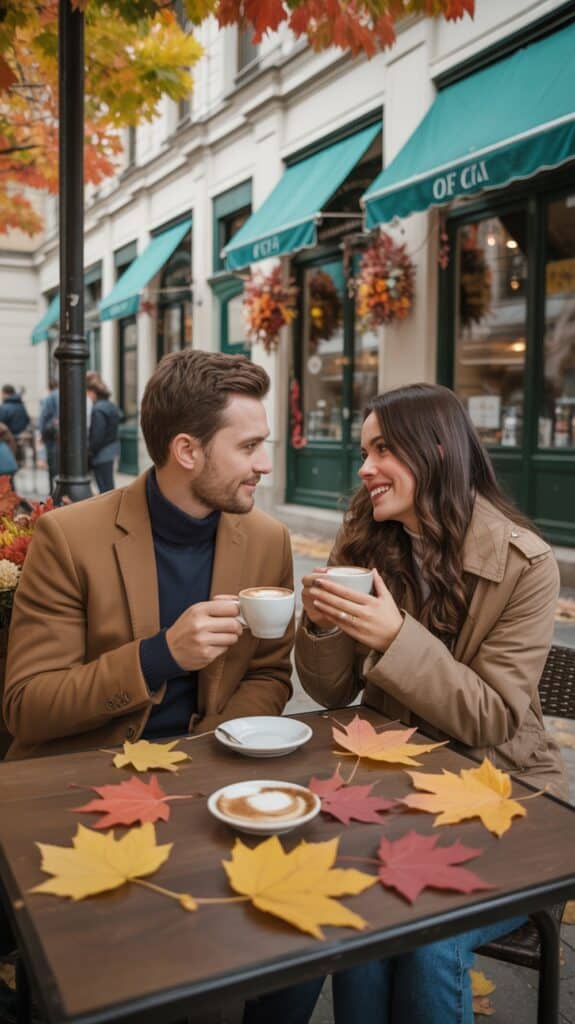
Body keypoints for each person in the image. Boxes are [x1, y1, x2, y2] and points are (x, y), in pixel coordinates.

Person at [247, 383, 566, 1024]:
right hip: (391, 793)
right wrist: (324, 626)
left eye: (383, 449)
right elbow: (333, 693)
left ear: (438, 451)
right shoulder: (366, 538)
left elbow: (492, 716)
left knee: (424, 933)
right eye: (365, 451)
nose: (364, 468)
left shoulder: (525, 565)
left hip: (506, 801)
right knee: (341, 903)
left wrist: (395, 637)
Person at [3, 349, 293, 760]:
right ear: (187, 451)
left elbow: (269, 674)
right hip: (86, 775)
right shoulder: (69, 537)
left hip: (215, 770)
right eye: (249, 447)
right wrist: (160, 656)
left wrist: (212, 749)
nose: (264, 464)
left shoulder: (270, 540)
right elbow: (28, 706)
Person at [86, 371, 121, 493]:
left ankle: (111, 512)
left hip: (102, 453)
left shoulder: (98, 409)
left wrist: (90, 451)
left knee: (105, 489)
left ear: (93, 392)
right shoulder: (110, 405)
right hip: (110, 450)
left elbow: (97, 435)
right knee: (108, 487)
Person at [38, 378, 59, 495]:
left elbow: (43, 418)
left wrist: (41, 434)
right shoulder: (68, 394)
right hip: (65, 437)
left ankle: (53, 490)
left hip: (51, 437)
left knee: (52, 465)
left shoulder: (49, 398)